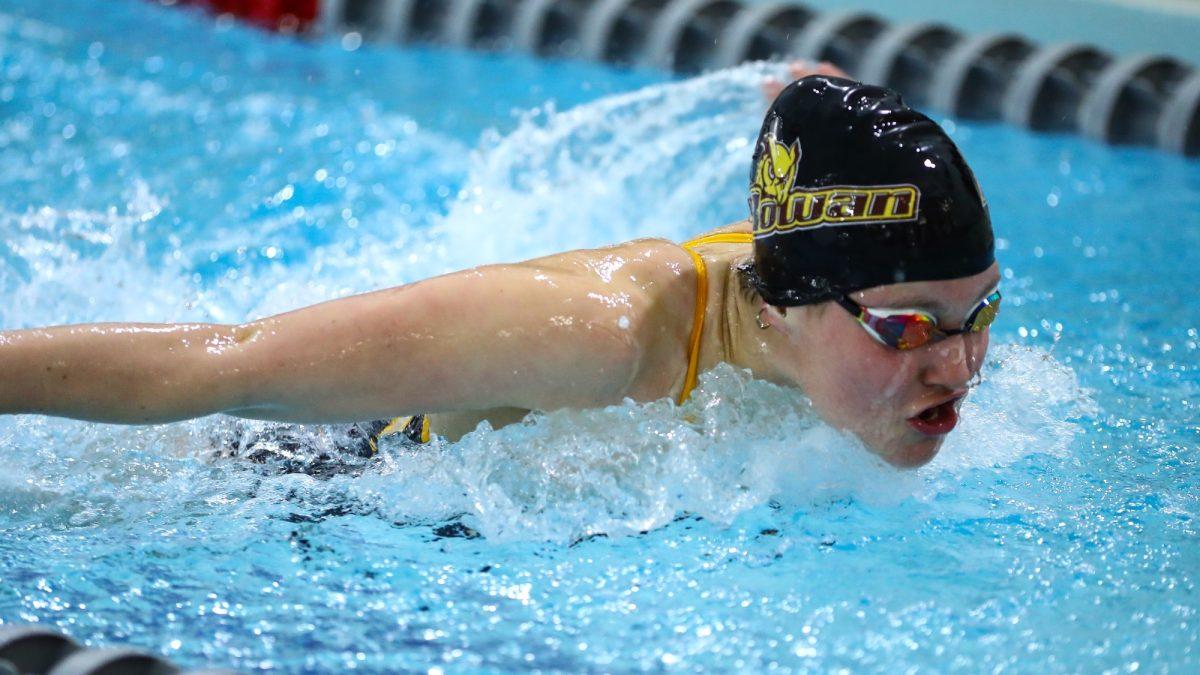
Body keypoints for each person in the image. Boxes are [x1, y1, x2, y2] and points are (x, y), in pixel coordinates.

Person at [0, 71, 999, 470]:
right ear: (788, 302)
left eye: (979, 316)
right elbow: (224, 362)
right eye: (911, 331)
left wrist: (806, 92)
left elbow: (810, 112)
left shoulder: (853, 292)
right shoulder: (596, 337)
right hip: (324, 486)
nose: (962, 368)